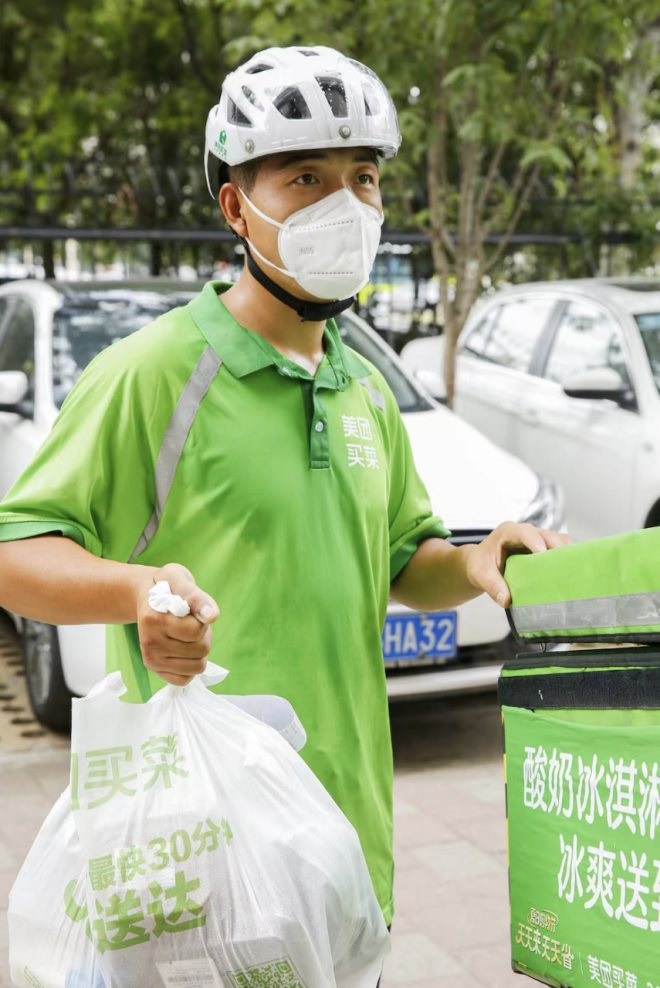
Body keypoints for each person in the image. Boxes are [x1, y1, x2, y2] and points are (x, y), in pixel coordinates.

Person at [0, 45, 568, 976]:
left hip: (347, 847)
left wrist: (472, 562)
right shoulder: (154, 373)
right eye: (306, 177)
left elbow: (401, 561)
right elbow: (16, 551)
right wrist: (138, 593)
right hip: (202, 864)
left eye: (363, 177)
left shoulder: (363, 389)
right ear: (236, 207)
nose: (345, 204)